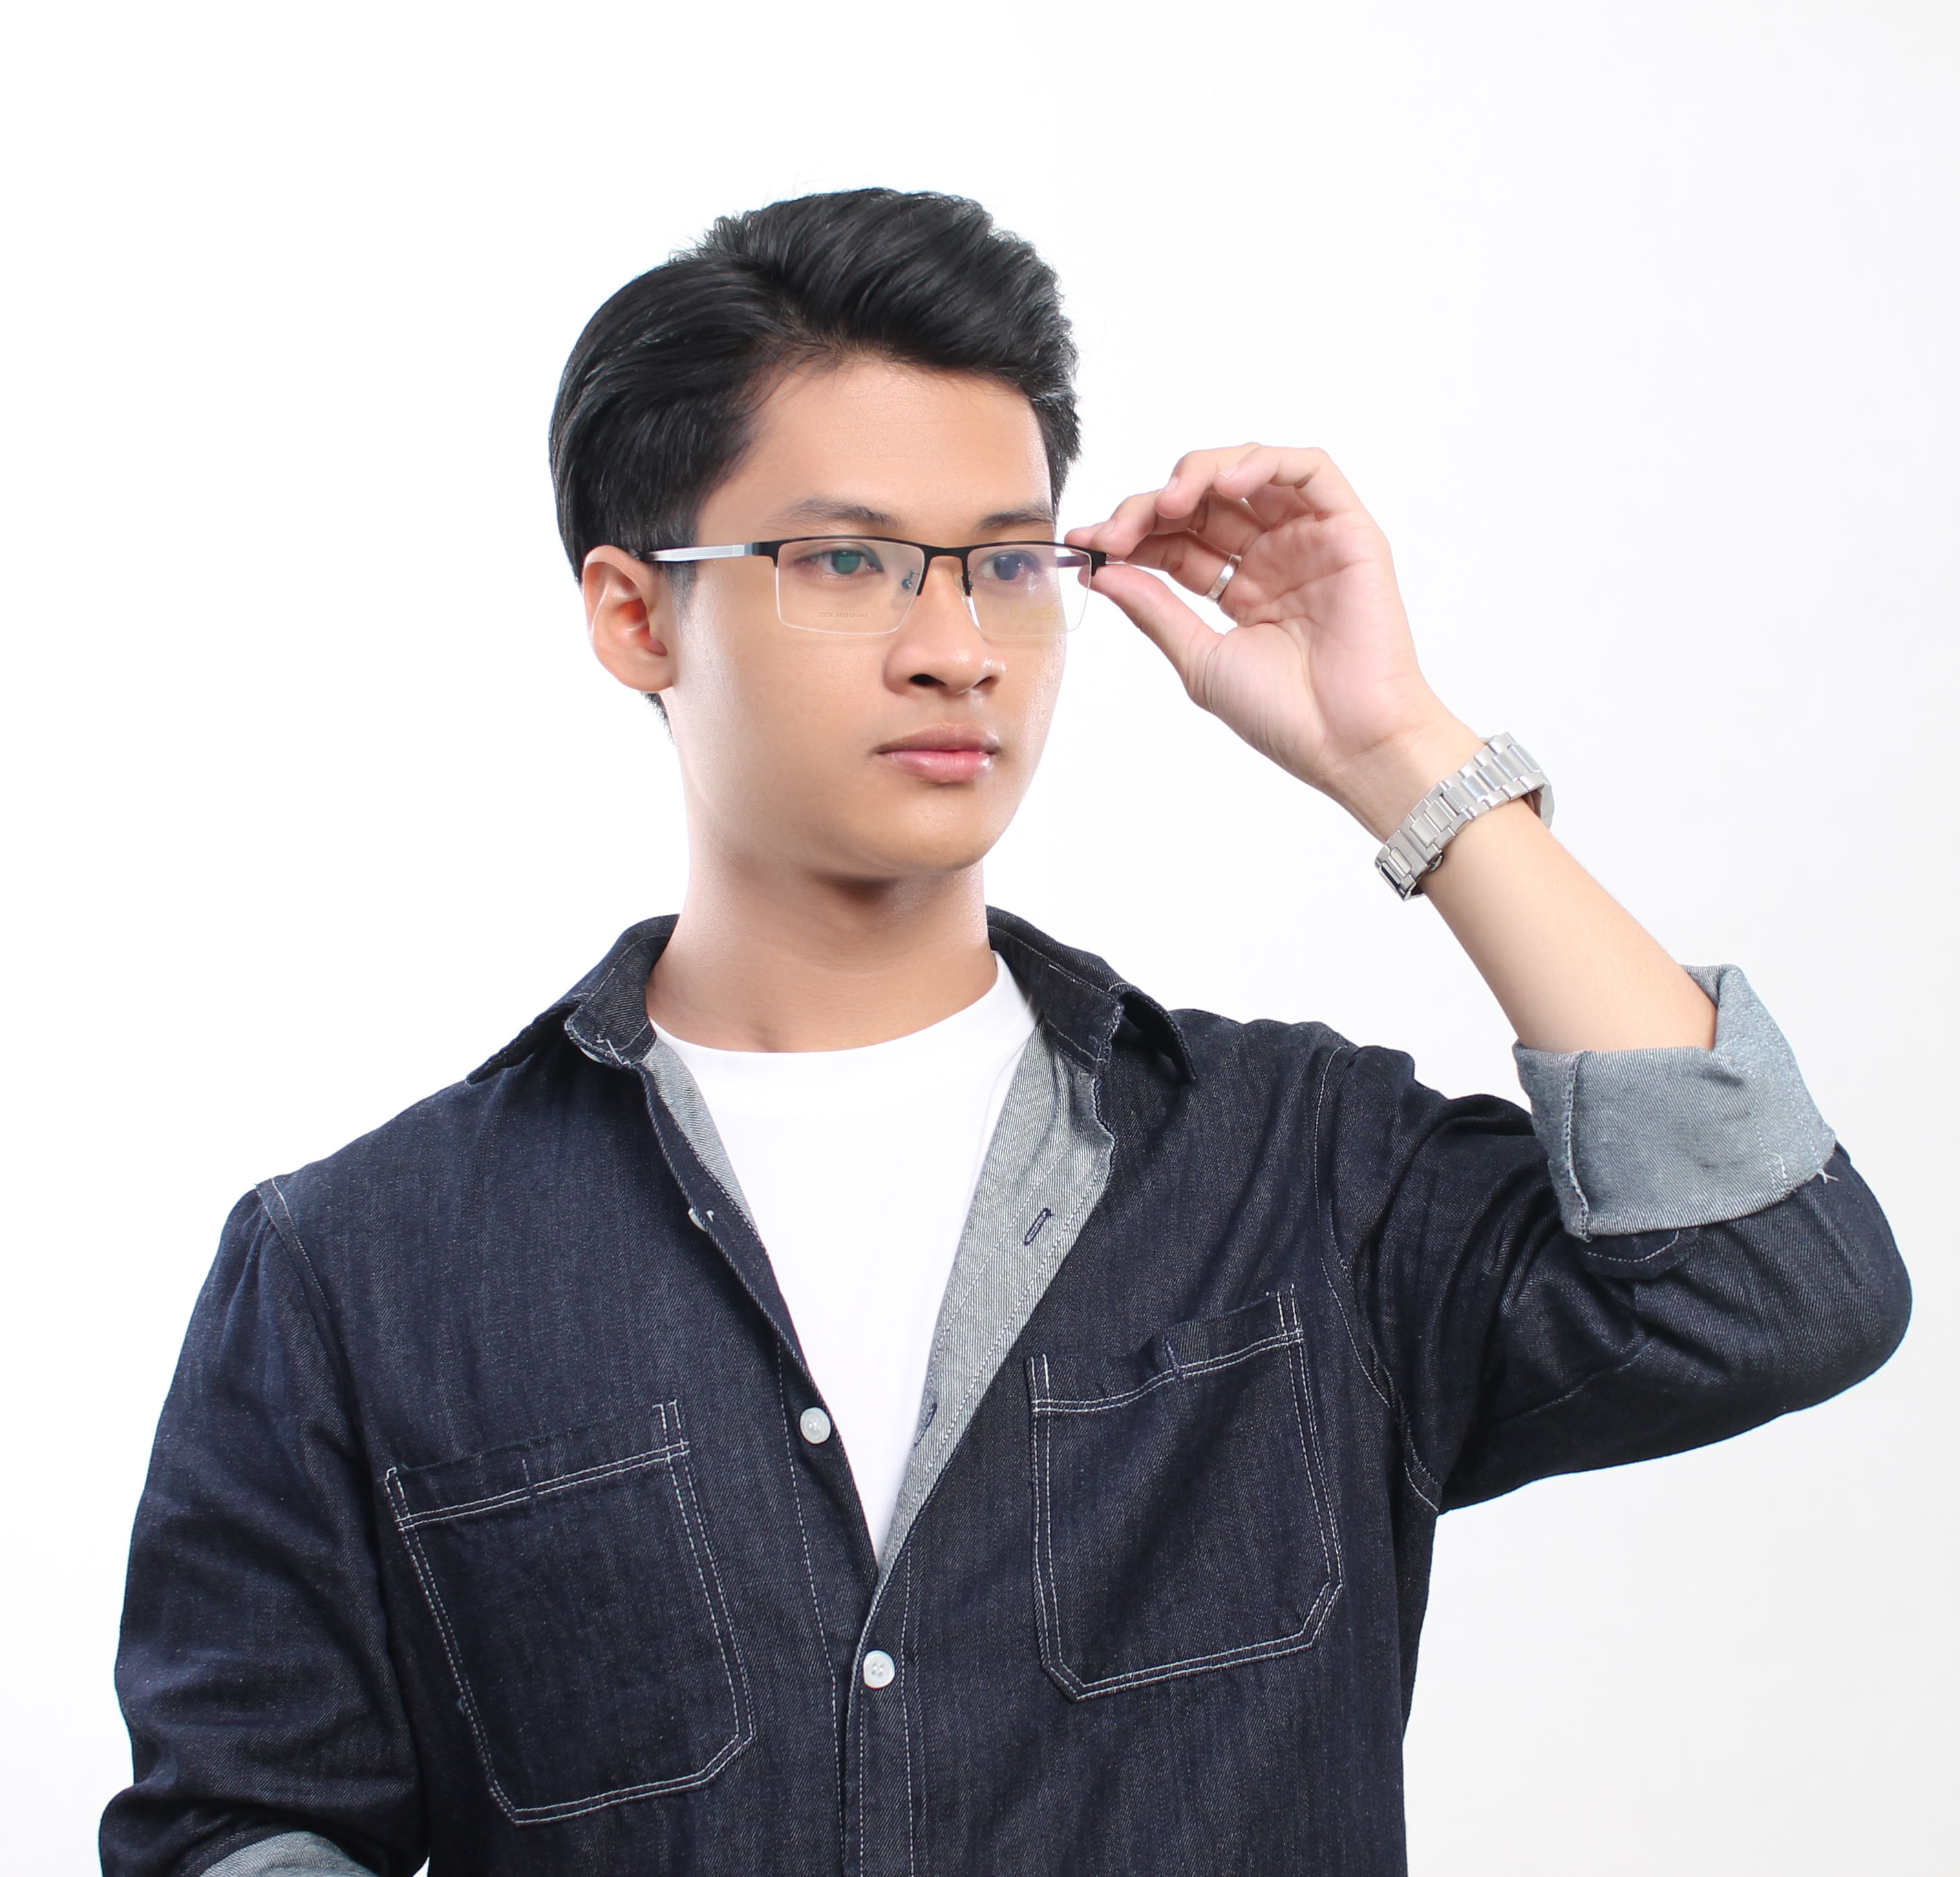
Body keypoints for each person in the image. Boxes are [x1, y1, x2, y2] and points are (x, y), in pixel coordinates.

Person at [103, 189, 1909, 1877]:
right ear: (636, 613)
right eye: (850, 561)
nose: (956, 646)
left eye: (1009, 564)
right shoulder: (363, 1266)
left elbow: (1772, 1282)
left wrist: (1397, 750)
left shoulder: (1299, 1174)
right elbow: (241, 1826)